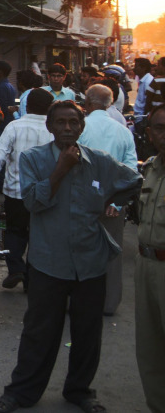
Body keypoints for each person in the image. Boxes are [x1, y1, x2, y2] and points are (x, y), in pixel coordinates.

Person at [0, 101, 142, 413]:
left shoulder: (99, 161)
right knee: (39, 331)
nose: (68, 128)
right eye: (61, 122)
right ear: (50, 126)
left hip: (90, 262)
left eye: (74, 122)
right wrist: (60, 170)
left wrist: (113, 200)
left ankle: (80, 391)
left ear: (82, 127)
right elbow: (33, 202)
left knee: (87, 333)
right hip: (48, 262)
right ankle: (21, 392)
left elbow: (134, 180)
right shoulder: (33, 159)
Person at [0, 88, 54, 290]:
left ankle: (16, 269)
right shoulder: (54, 129)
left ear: (26, 107)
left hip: (16, 192)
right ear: (50, 108)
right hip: (45, 194)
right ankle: (32, 278)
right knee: (39, 236)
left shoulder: (14, 127)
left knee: (14, 231)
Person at [77, 84, 138, 316]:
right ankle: (109, 303)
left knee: (80, 250)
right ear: (109, 103)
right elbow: (131, 170)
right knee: (112, 252)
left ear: (89, 103)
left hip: (82, 199)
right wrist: (119, 203)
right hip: (113, 201)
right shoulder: (123, 131)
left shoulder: (81, 127)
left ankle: (80, 301)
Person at [135, 104, 165, 411]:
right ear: (150, 133)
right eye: (159, 128)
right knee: (150, 349)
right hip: (146, 265)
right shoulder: (151, 167)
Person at [0, 61, 18, 126]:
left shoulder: (1, 88)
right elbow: (17, 101)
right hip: (9, 121)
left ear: (1, 72)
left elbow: (1, 107)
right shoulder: (11, 86)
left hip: (2, 123)